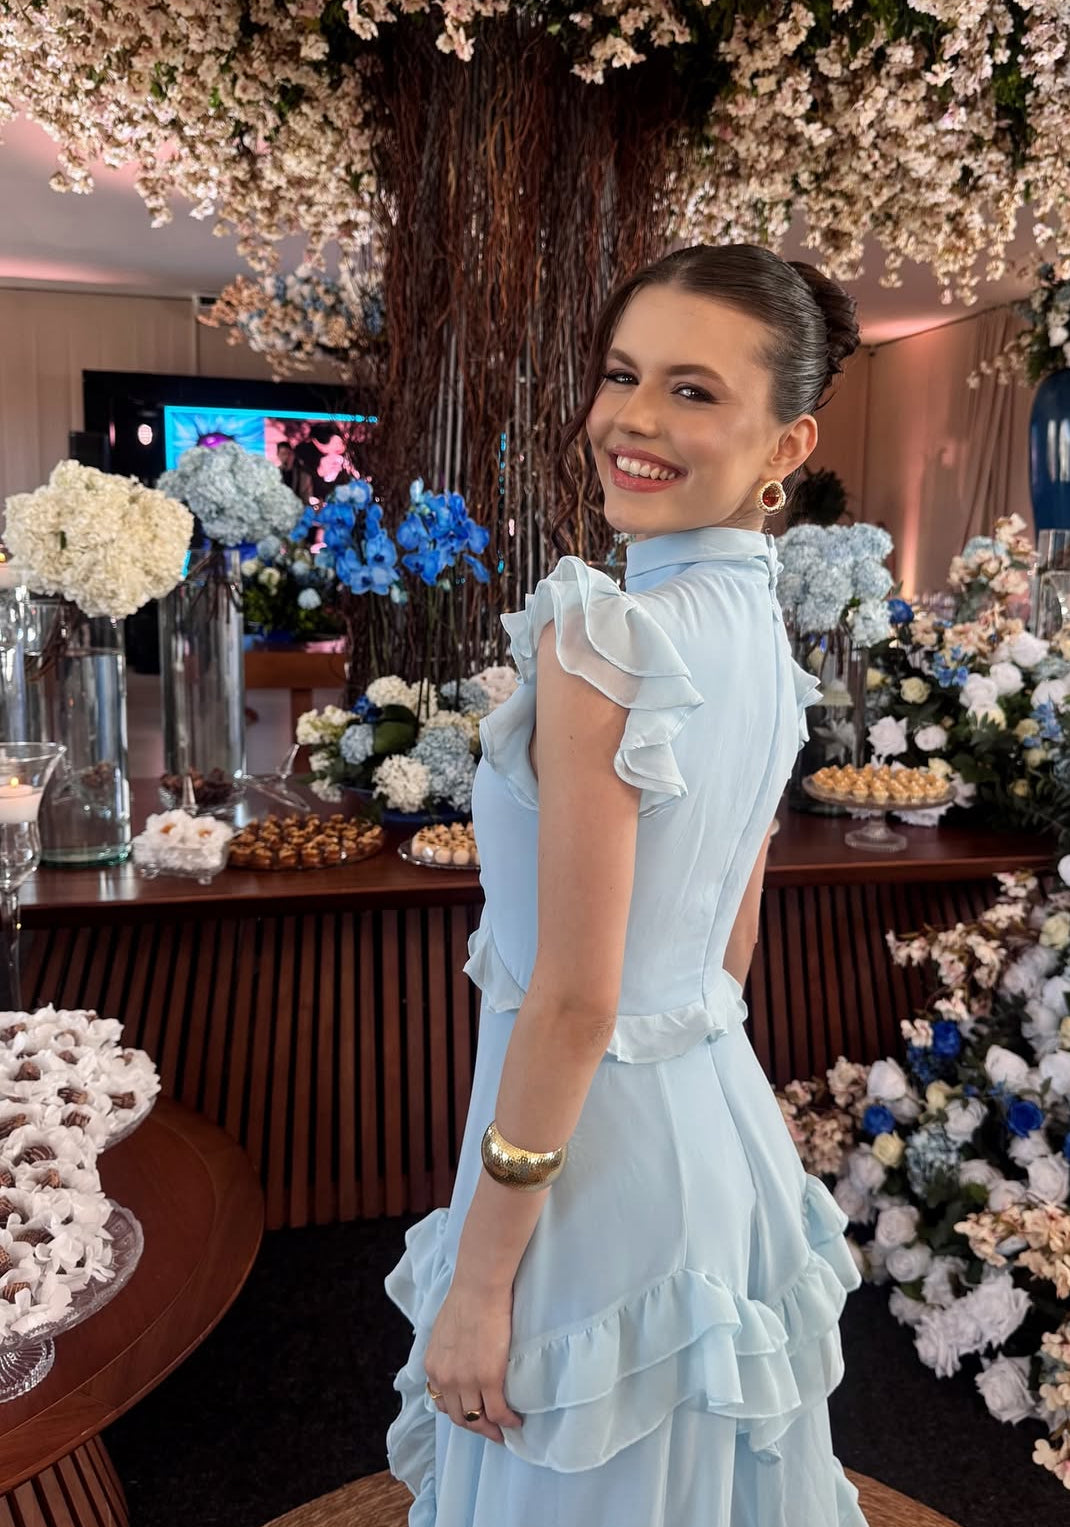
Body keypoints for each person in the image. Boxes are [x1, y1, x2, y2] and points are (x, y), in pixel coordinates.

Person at [384, 244, 868, 1526]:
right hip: (713, 1131)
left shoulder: (606, 635)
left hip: (588, 1172)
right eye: (620, 374)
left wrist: (481, 1283)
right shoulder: (759, 635)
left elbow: (574, 1001)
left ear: (785, 445)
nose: (631, 420)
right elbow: (726, 942)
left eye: (691, 391)